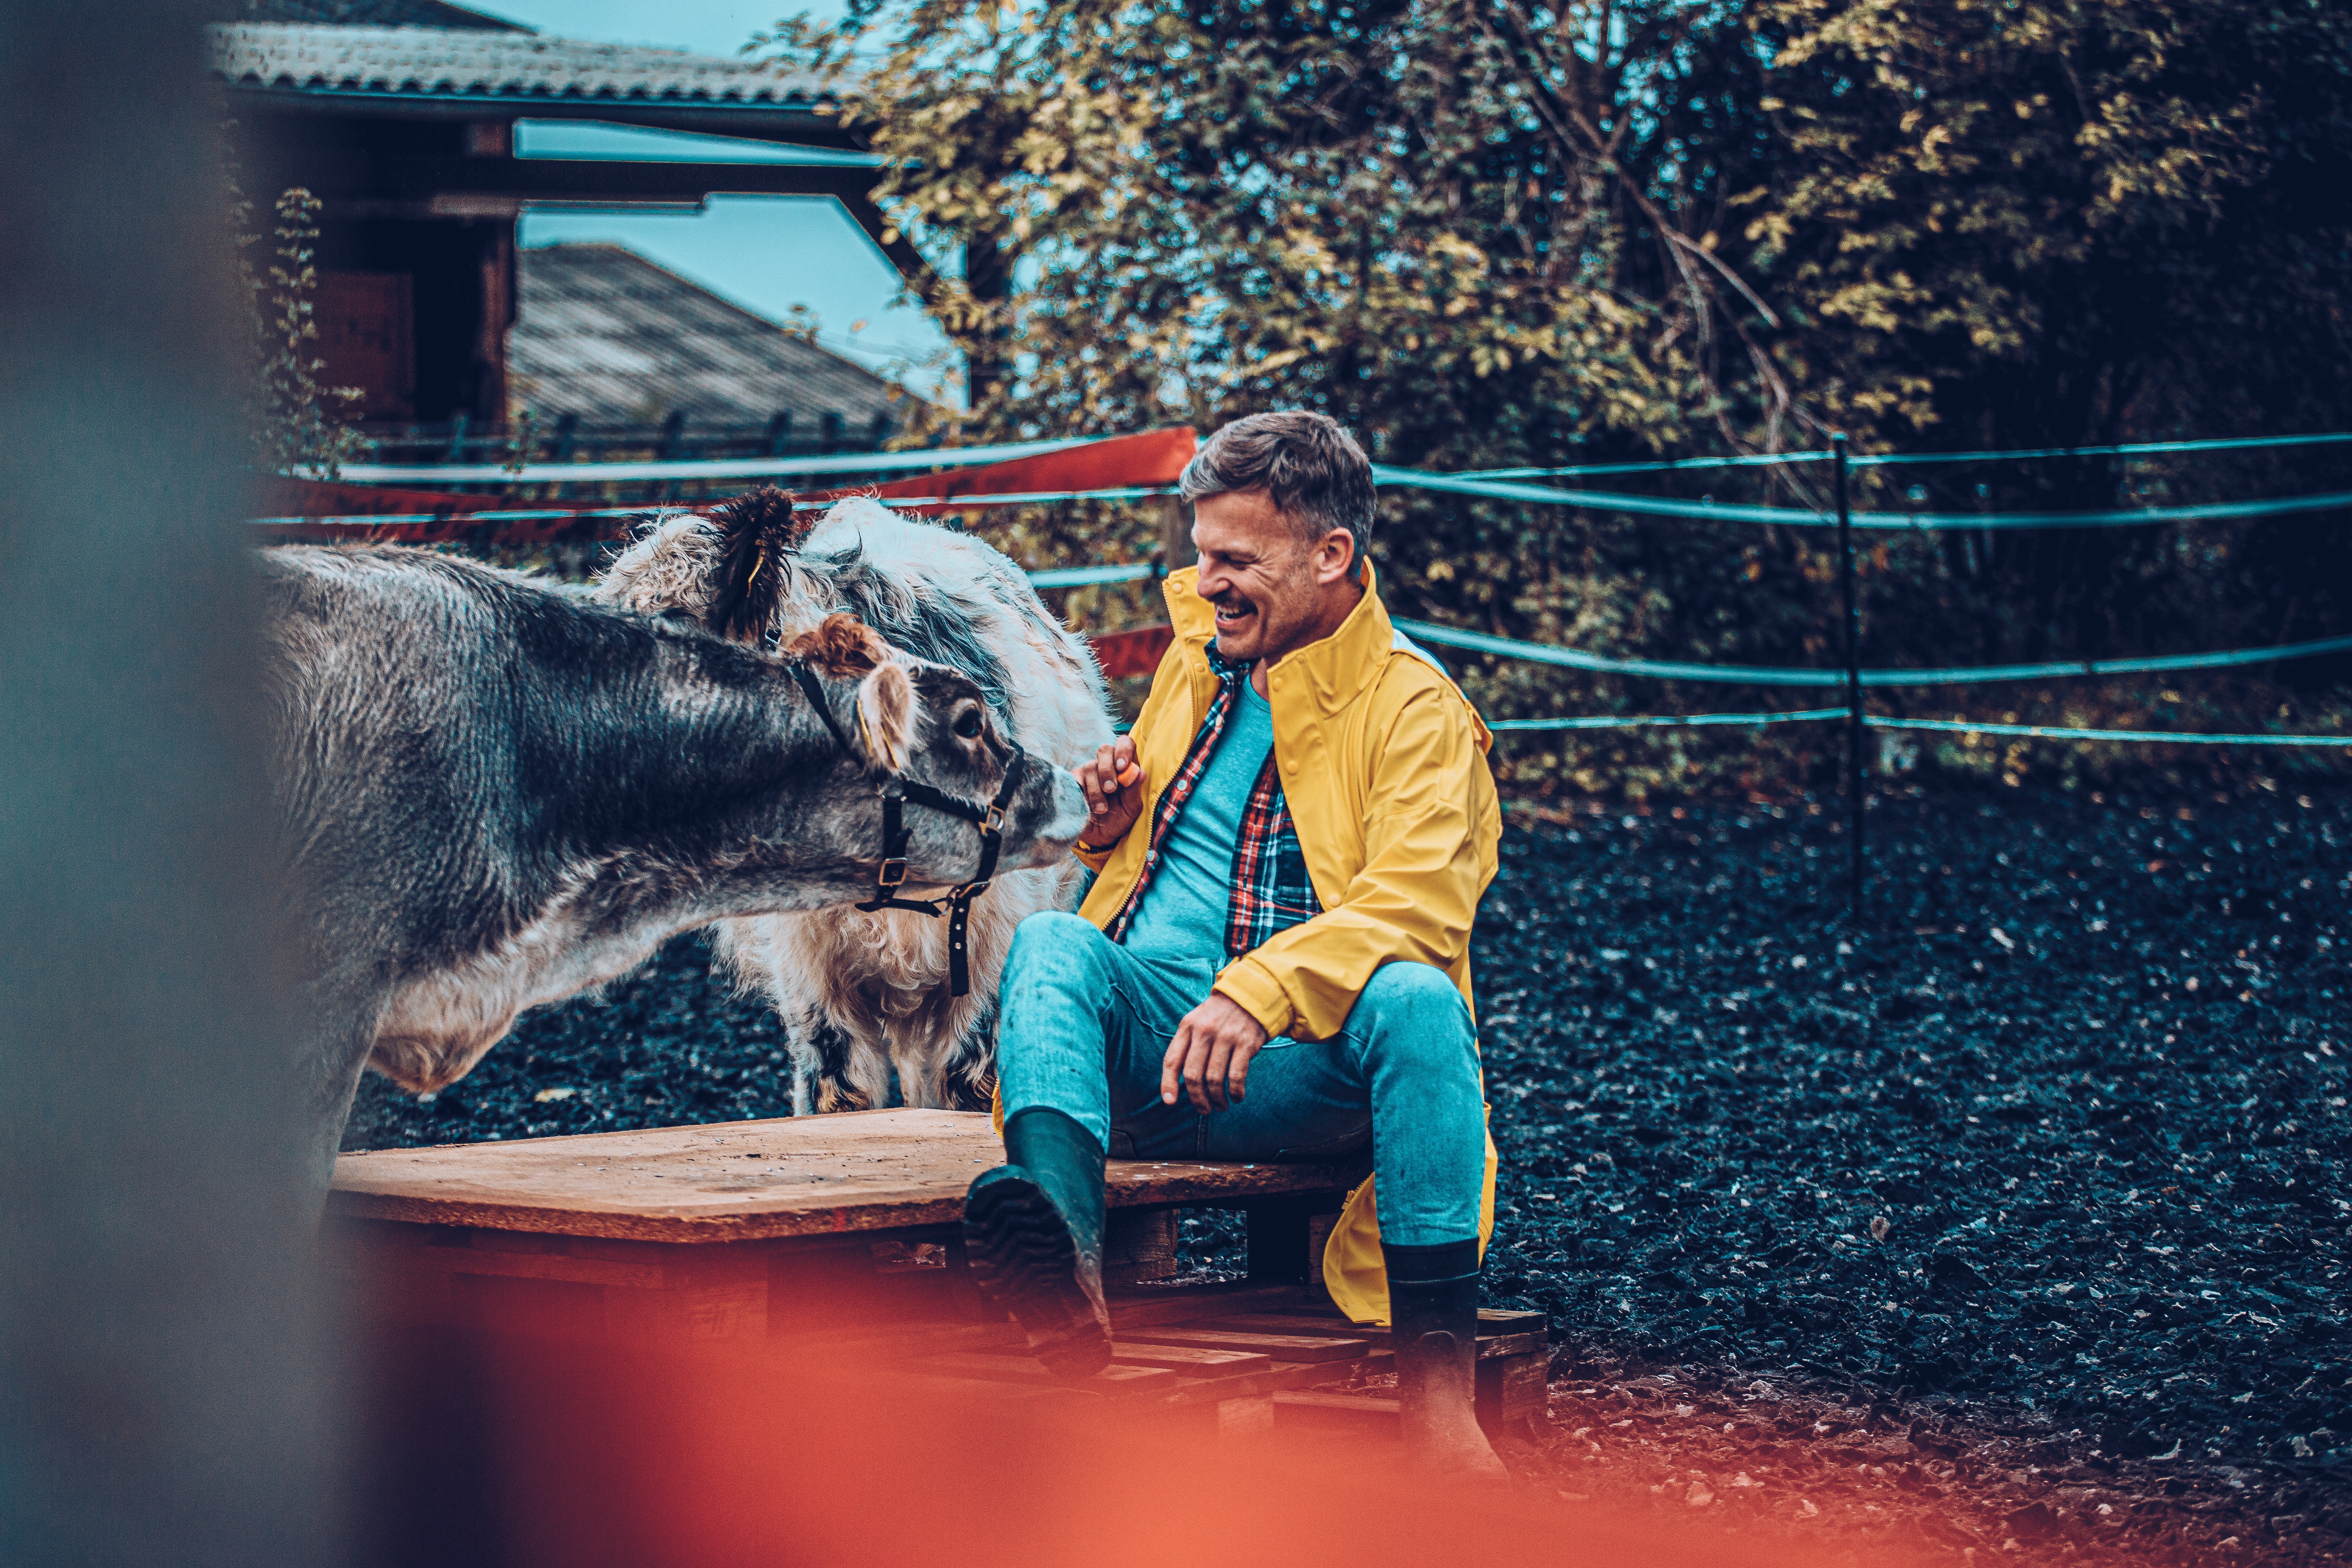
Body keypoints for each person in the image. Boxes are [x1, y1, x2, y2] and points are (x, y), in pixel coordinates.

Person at [960, 411, 1507, 1476]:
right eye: (1201, 554)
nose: (1206, 582)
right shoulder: (1199, 667)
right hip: (1146, 1057)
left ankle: (1439, 1411)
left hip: (1298, 1073)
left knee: (1419, 1001)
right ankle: (1065, 1284)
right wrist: (1112, 822)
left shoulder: (1417, 710)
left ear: (1331, 554)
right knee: (1052, 950)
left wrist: (1261, 990)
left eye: (1235, 560)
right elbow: (1153, 867)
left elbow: (1422, 903)